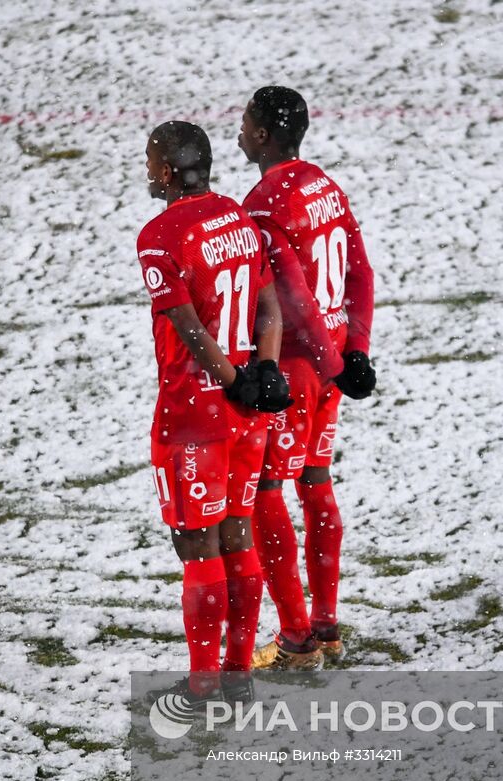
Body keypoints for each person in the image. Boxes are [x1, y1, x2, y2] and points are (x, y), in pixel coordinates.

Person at [136, 120, 291, 698]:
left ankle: (203, 686)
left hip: (194, 412)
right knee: (237, 535)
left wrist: (230, 381)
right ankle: (238, 674)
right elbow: (269, 305)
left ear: (170, 171)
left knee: (196, 545)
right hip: (248, 409)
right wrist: (264, 372)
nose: (149, 172)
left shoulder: (158, 235)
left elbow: (190, 328)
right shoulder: (238, 217)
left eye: (152, 163)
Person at [237, 86, 378, 669]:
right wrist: (355, 352)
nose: (240, 134)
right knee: (316, 481)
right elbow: (361, 271)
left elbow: (292, 296)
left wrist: (326, 361)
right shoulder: (323, 183)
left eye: (245, 125)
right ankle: (326, 622)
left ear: (265, 136)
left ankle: (296, 638)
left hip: (299, 365)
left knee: (268, 491)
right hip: (334, 358)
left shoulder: (266, 202)